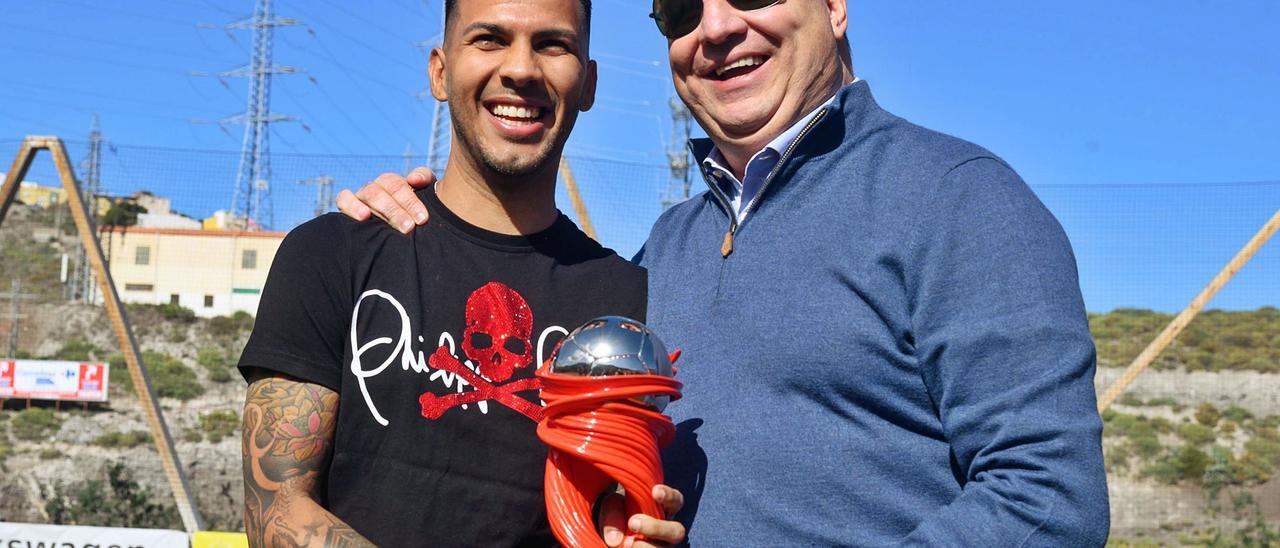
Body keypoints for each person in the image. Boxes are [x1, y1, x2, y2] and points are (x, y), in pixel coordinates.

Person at [338, 0, 1111, 545]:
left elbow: (1049, 498)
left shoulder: (957, 197)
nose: (715, 28)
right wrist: (417, 227)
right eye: (679, 9)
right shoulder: (663, 249)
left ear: (836, 7)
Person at [238, 0, 687, 546]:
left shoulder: (626, 310)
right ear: (441, 72)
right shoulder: (333, 253)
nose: (521, 69)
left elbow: (615, 501)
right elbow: (275, 509)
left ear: (588, 84)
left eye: (553, 44)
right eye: (490, 39)